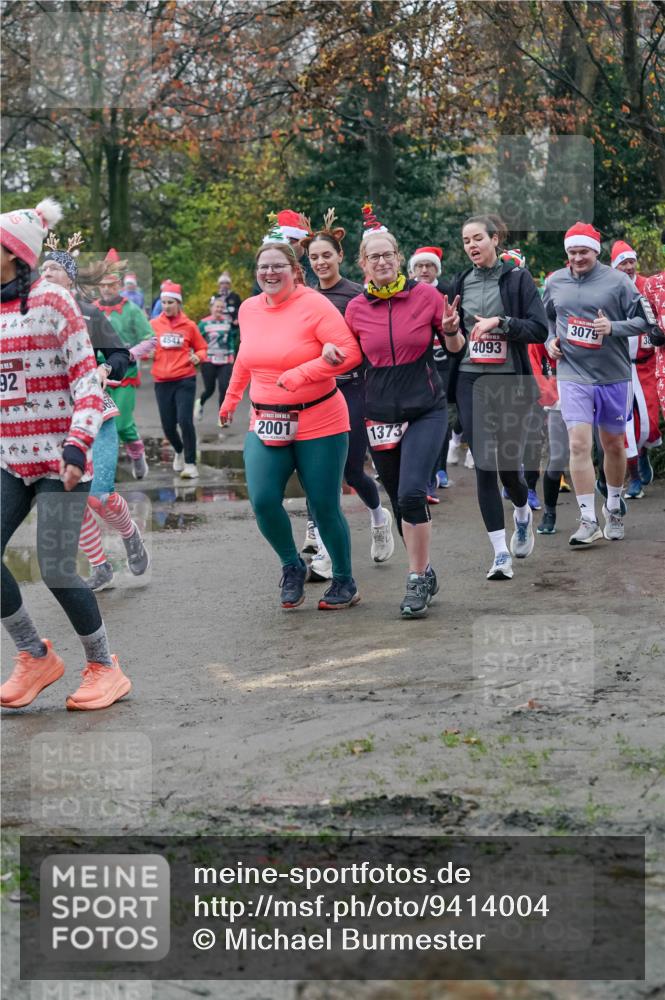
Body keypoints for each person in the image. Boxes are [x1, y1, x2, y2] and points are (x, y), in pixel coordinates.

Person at [1, 197, 131, 711]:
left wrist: (78, 444)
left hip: (61, 458)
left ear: (13, 253)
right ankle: (35, 655)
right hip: (9, 459)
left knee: (55, 566)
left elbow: (86, 381)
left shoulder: (54, 302)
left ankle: (104, 666)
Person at [219, 218, 363, 611]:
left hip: (320, 419)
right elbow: (244, 359)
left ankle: (345, 580)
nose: (269, 272)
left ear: (295, 272)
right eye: (263, 267)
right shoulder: (248, 309)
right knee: (264, 499)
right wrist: (231, 400)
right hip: (266, 418)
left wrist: (302, 373)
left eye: (277, 266)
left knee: (323, 503)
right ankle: (291, 566)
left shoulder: (314, 304)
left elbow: (349, 353)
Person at [343, 204, 465, 618]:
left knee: (414, 491)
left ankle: (414, 580)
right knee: (399, 502)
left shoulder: (427, 295)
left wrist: (450, 331)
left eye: (387, 254)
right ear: (363, 264)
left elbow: (455, 347)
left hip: (424, 408)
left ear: (399, 258)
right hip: (378, 412)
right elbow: (348, 359)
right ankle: (425, 571)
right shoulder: (356, 308)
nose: (381, 261)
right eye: (372, 256)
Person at [40, 234, 150, 592]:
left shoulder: (88, 314)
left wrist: (104, 371)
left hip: (95, 414)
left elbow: (121, 355)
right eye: (43, 268)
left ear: (70, 278)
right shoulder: (30, 317)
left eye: (55, 268)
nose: (47, 273)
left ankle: (130, 534)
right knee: (72, 498)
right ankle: (100, 566)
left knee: (98, 496)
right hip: (55, 419)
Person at [446, 215, 548, 580]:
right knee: (484, 464)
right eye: (465, 240)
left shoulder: (518, 279)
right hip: (471, 381)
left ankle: (522, 512)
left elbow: (539, 329)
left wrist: (500, 323)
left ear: (495, 239)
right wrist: (450, 331)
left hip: (510, 384)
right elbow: (455, 344)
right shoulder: (459, 282)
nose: (471, 245)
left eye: (477, 238)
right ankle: (500, 553)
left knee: (509, 469)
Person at [543, 222, 655, 546]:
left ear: (596, 251)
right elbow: (548, 319)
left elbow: (646, 321)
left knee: (613, 445)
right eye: (572, 252)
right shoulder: (555, 281)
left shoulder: (618, 282)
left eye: (584, 251)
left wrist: (613, 327)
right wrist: (551, 340)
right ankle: (588, 519)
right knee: (578, 444)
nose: (578, 257)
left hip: (613, 375)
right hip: (572, 373)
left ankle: (614, 507)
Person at [302, 209, 394, 576]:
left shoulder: (359, 296)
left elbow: (374, 347)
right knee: (318, 475)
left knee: (352, 472)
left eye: (327, 255)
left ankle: (377, 517)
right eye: (314, 257)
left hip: (353, 392)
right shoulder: (305, 298)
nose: (321, 262)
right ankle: (324, 552)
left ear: (340, 256)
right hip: (314, 394)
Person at [132, 281, 208, 479]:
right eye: (163, 302)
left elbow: (202, 348)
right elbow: (146, 346)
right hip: (162, 380)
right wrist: (147, 354)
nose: (166, 306)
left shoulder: (189, 326)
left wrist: (197, 357)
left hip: (185, 379)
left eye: (170, 302)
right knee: (167, 426)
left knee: (185, 420)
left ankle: (191, 464)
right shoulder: (154, 325)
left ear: (178, 304)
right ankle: (180, 450)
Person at [610, 240, 662, 498]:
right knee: (623, 424)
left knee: (649, 423)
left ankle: (643, 454)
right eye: (623, 263)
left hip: (646, 364)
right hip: (617, 367)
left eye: (631, 261)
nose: (629, 267)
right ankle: (633, 477)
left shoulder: (647, 286)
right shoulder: (609, 289)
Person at [94, 253, 153, 479]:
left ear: (118, 285)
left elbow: (150, 338)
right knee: (101, 424)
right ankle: (101, 474)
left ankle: (137, 455)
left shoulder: (131, 309)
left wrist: (129, 354)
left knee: (122, 424)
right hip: (98, 375)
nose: (106, 290)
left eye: (111, 285)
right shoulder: (93, 309)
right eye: (102, 285)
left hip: (126, 373)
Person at [407, 245, 453, 496]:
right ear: (412, 270)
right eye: (420, 266)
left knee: (439, 417)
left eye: (429, 266)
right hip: (416, 365)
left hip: (443, 363)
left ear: (437, 269)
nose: (424, 270)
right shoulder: (407, 292)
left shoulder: (447, 292)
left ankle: (438, 469)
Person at [195, 294, 239, 422]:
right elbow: (197, 340)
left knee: (224, 388)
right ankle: (200, 403)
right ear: (211, 308)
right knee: (210, 389)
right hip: (208, 361)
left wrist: (232, 355)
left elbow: (231, 339)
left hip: (225, 361)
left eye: (221, 307)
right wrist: (198, 354)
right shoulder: (204, 323)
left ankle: (223, 417)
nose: (219, 309)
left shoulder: (227, 322)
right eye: (217, 307)